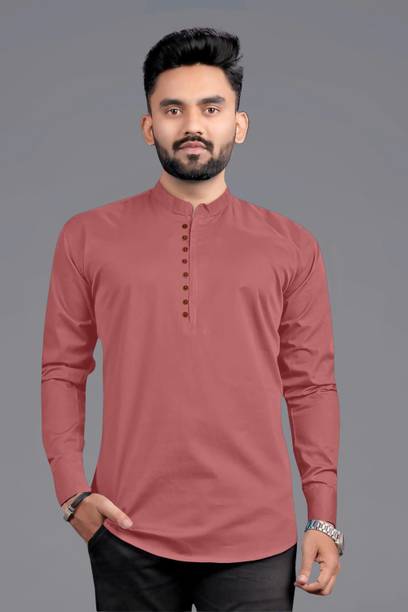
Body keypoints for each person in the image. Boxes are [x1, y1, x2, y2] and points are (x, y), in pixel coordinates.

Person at [41, 26, 343, 611]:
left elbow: (311, 387)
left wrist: (323, 517)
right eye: (173, 109)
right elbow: (62, 370)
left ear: (240, 124)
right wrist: (71, 492)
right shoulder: (87, 237)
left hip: (258, 539)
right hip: (126, 531)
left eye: (211, 108)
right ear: (148, 125)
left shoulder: (292, 246)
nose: (192, 125)